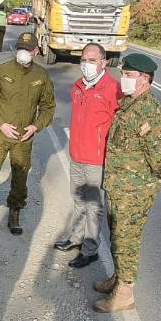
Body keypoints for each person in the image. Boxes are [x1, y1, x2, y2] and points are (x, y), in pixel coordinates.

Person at [93, 53, 161, 313]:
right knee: (116, 234)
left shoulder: (149, 109)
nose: (123, 79)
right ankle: (118, 278)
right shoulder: (130, 104)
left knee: (126, 239)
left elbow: (158, 151)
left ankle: (125, 292)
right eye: (123, 74)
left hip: (135, 189)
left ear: (144, 80)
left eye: (129, 75)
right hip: (119, 184)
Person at [0, 32, 55, 235]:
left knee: (20, 178)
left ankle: (15, 211)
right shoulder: (1, 71)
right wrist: (1, 124)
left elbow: (48, 108)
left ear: (36, 51)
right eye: (20, 49)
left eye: (27, 49)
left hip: (23, 138)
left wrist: (35, 126)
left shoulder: (41, 76)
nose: (23, 53)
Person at [54, 43, 121, 268]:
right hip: (77, 154)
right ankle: (75, 238)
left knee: (93, 206)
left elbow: (120, 123)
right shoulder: (78, 86)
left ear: (103, 62)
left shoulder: (113, 88)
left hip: (97, 159)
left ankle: (90, 250)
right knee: (78, 201)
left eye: (92, 60)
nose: (86, 64)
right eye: (84, 59)